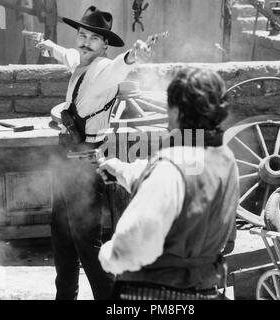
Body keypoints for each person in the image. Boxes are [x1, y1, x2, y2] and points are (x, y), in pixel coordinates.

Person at [36, 6, 150, 300]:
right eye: (82, 35)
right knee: (62, 241)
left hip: (85, 168)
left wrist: (133, 54)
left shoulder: (103, 70)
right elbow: (68, 54)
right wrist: (47, 46)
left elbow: (121, 66)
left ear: (104, 45)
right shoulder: (80, 61)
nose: (85, 42)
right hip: (66, 164)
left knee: (88, 248)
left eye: (93, 38)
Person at [97, 67, 240, 300]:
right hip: (206, 289)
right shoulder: (225, 158)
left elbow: (135, 244)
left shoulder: (170, 167)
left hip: (157, 296)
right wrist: (120, 169)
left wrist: (109, 256)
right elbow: (185, 186)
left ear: (176, 110)